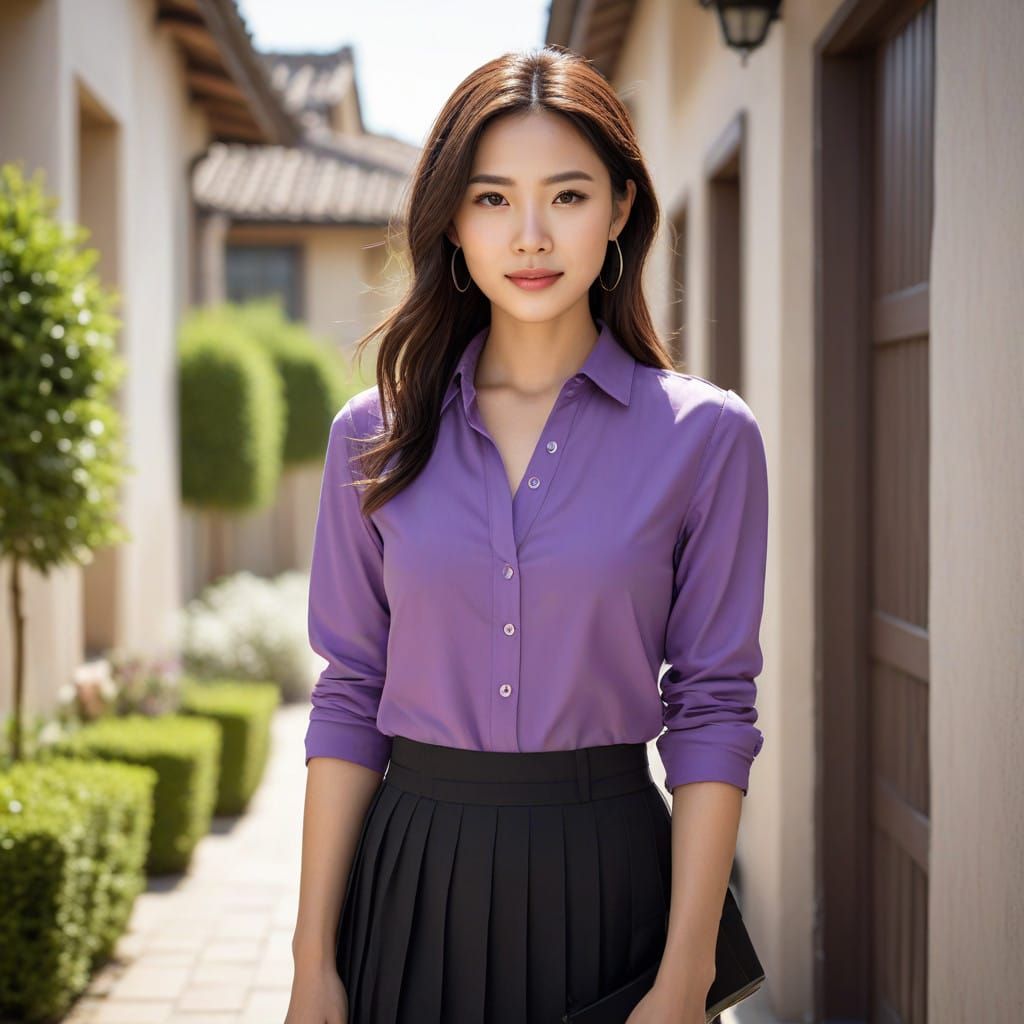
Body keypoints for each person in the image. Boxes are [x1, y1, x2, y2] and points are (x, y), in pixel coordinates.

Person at [285, 44, 768, 1024]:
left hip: (613, 886)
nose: (532, 234)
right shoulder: (367, 437)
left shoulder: (707, 440)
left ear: (622, 207)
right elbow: (348, 696)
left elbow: (714, 707)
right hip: (412, 883)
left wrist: (683, 979)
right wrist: (310, 964)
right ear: (453, 220)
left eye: (569, 195)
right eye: (494, 198)